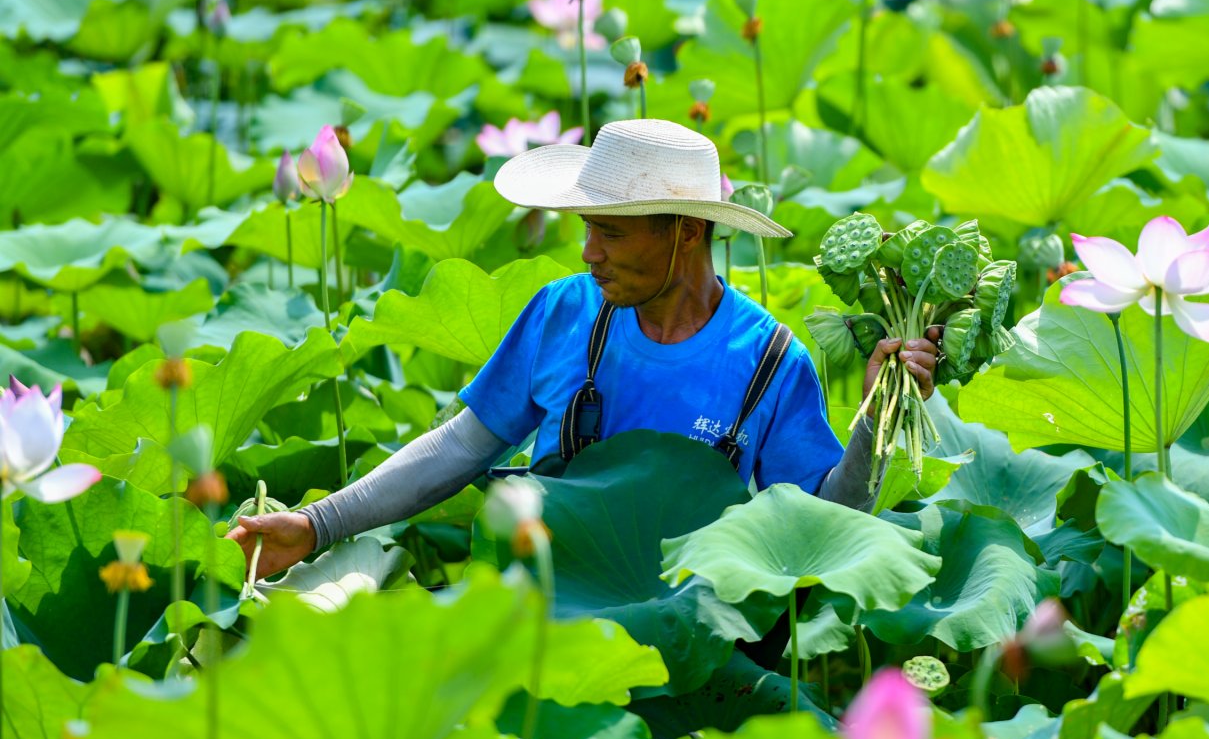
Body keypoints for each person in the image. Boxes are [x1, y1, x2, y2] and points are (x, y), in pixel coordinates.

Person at [230, 119, 941, 577]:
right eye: (588, 228)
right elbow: (457, 449)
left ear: (687, 232)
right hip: (544, 604)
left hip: (699, 634)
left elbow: (830, 521)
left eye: (613, 232)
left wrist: (878, 422)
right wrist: (316, 525)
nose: (589, 252)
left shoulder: (769, 360)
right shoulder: (563, 312)